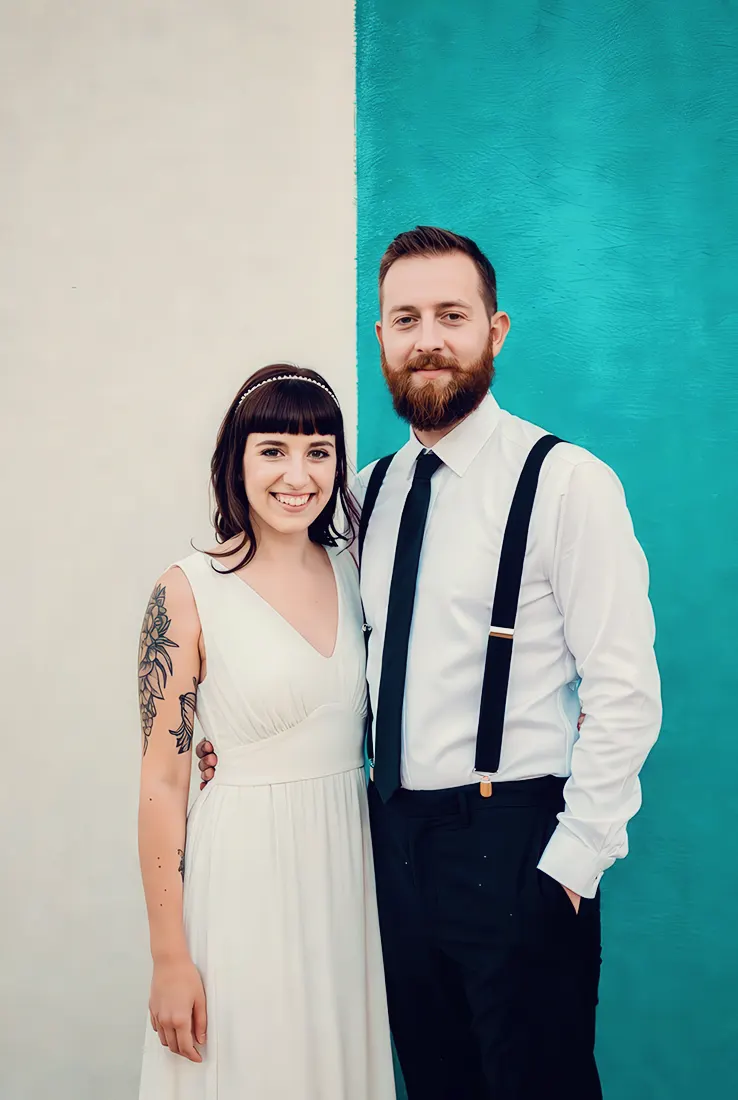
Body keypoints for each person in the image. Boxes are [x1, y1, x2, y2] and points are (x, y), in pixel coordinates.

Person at [198, 227, 662, 1100]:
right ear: (381, 339)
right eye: (405, 318)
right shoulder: (368, 492)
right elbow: (302, 626)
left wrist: (571, 866)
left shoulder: (567, 483)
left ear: (496, 329)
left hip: (518, 842)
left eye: (452, 314)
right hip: (393, 854)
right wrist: (229, 736)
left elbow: (626, 691)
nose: (428, 338)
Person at [137, 364, 396, 1100]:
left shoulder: (357, 571)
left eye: (319, 451)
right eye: (273, 449)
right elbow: (161, 782)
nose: (298, 474)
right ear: (235, 462)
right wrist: (169, 958)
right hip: (244, 874)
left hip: (347, 872)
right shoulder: (187, 591)